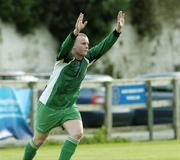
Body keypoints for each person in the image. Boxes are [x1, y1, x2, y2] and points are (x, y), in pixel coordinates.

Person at [23, 11, 125, 160]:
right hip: (49, 106)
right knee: (38, 140)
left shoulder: (87, 59)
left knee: (77, 133)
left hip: (68, 106)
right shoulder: (63, 60)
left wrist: (117, 32)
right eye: (83, 43)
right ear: (74, 47)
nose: (87, 46)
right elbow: (65, 46)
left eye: (88, 44)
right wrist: (75, 32)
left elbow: (103, 46)